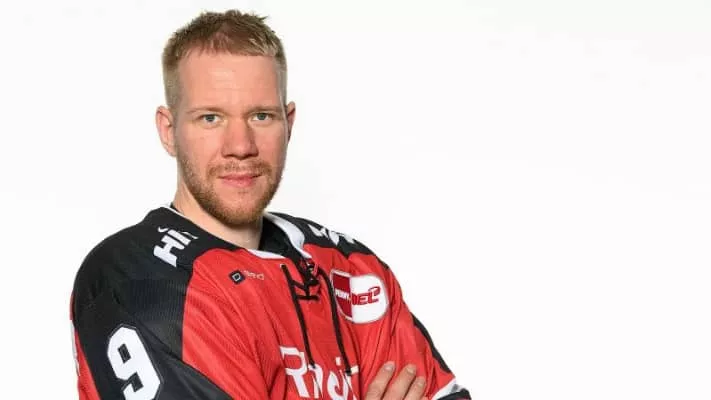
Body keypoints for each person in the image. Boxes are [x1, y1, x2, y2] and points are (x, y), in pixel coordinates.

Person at [69, 9, 470, 400]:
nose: (240, 146)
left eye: (261, 116)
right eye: (210, 118)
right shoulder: (136, 279)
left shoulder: (350, 267)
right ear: (169, 131)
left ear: (288, 124)